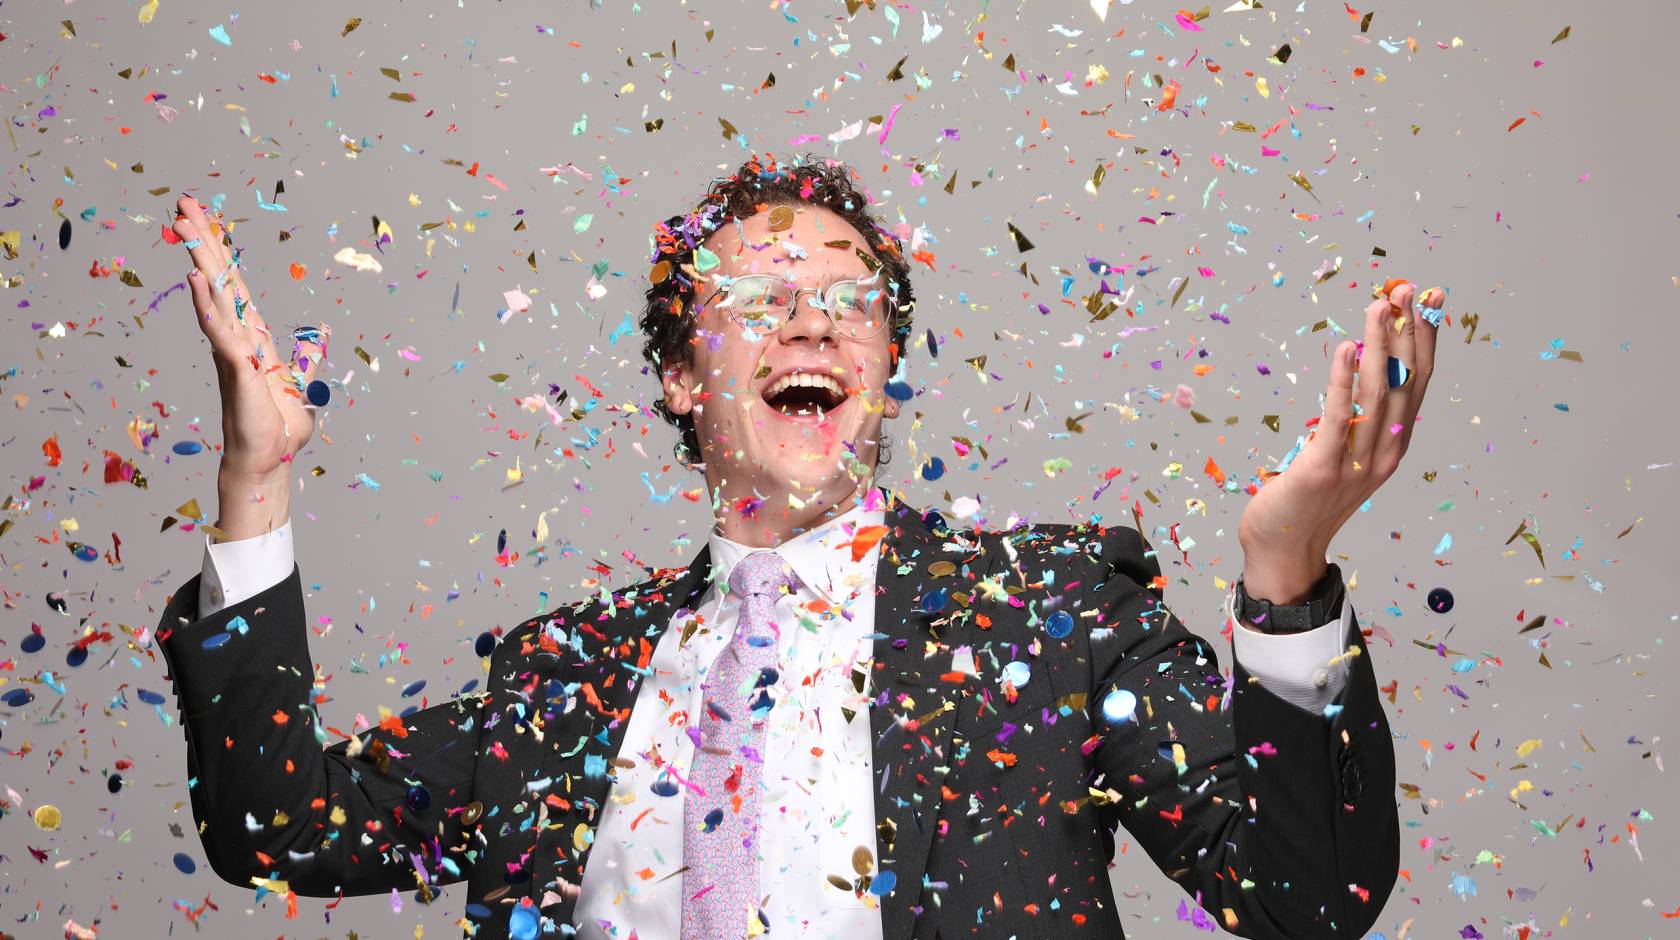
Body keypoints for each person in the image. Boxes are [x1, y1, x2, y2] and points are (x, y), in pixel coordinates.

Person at [153, 152, 1443, 940]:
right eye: (761, 302)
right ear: (676, 374)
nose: (813, 326)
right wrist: (254, 486)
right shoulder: (566, 677)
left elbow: (1303, 905)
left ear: (883, 361)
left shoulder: (1051, 615)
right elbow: (278, 828)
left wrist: (1286, 581)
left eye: (848, 301)